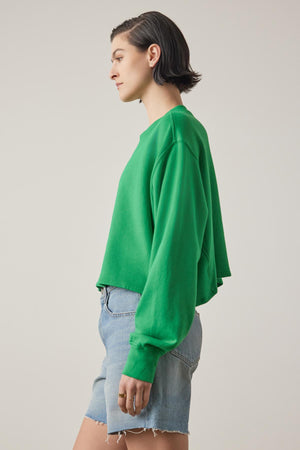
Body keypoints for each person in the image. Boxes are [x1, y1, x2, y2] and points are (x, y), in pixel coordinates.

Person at [73, 10, 231, 450]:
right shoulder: (158, 136)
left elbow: (175, 250)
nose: (111, 71)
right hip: (127, 322)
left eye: (120, 57)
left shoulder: (177, 133)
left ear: (152, 54)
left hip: (146, 322)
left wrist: (145, 351)